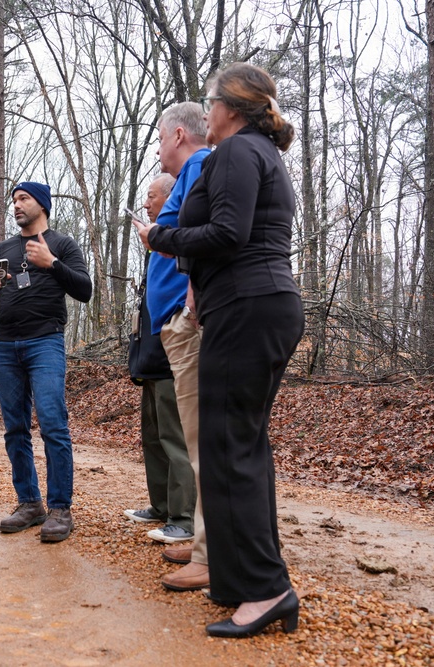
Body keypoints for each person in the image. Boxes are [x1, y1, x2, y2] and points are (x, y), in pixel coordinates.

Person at [134, 63, 303, 638]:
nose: (205, 114)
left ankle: (265, 588)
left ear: (231, 106)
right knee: (237, 446)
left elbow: (229, 235)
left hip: (248, 306)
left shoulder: (236, 153)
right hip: (259, 304)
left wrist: (161, 237)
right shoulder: (259, 153)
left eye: (210, 103)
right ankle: (238, 581)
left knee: (231, 450)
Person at [0, 182, 93, 543]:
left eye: (23, 199)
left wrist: (51, 263)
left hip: (46, 342)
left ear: (42, 204)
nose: (16, 206)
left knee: (53, 423)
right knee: (15, 428)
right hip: (6, 346)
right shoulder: (2, 249)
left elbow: (85, 290)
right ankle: (29, 503)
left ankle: (59, 508)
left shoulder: (62, 244)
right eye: (14, 200)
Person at [139, 102, 214, 593]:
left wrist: (158, 236)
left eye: (161, 140)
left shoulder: (203, 167)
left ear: (179, 134)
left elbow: (195, 239)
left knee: (203, 440)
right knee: (193, 437)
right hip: (179, 319)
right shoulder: (197, 173)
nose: (159, 151)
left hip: (198, 320)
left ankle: (207, 543)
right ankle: (206, 542)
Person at [124, 173, 196, 552]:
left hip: (173, 351)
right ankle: (162, 505)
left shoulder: (179, 232)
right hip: (150, 353)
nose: (148, 204)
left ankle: (183, 519)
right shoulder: (157, 242)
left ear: (170, 197)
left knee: (175, 437)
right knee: (152, 437)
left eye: (152, 197)